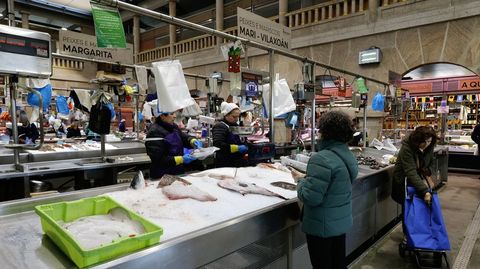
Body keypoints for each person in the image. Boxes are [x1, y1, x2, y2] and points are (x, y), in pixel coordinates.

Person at [291, 111, 358, 269]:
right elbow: (333, 181)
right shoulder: (347, 154)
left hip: (321, 226)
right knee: (338, 263)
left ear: (326, 132)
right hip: (339, 223)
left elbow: (310, 197)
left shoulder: (321, 158)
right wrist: (310, 177)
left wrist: (300, 181)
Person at [391, 126, 438, 245]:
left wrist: (428, 172)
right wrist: (425, 191)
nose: (427, 144)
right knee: (408, 209)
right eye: (424, 141)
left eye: (429, 141)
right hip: (404, 182)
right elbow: (410, 171)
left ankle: (422, 234)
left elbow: (431, 163)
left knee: (422, 209)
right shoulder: (407, 148)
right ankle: (408, 236)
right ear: (418, 140)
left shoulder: (430, 146)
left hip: (419, 181)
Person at [145, 110, 203, 180]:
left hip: (178, 172)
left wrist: (192, 140)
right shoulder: (154, 132)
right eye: (172, 113)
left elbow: (183, 137)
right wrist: (181, 159)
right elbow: (158, 159)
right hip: (162, 176)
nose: (175, 116)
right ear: (162, 116)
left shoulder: (173, 126)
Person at [212, 102, 248, 168]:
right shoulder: (220, 126)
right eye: (234, 116)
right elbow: (217, 144)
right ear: (226, 115)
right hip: (225, 163)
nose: (237, 119)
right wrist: (236, 148)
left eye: (238, 116)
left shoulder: (236, 126)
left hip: (237, 161)